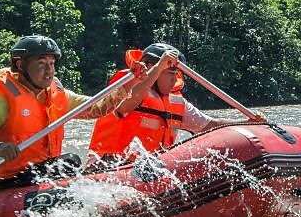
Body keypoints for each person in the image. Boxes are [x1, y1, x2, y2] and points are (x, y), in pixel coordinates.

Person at [0, 35, 144, 182]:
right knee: (70, 162)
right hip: (9, 182)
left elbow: (97, 108)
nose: (49, 70)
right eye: (41, 64)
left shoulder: (56, 93)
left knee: (99, 163)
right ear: (20, 65)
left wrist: (129, 84)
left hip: (43, 177)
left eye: (52, 64)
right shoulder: (1, 97)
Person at [88, 43, 244, 161]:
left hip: (148, 173)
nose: (174, 79)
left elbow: (210, 125)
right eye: (170, 73)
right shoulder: (128, 85)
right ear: (150, 67)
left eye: (176, 74)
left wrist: (246, 122)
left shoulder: (176, 101)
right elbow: (125, 106)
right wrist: (160, 65)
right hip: (108, 167)